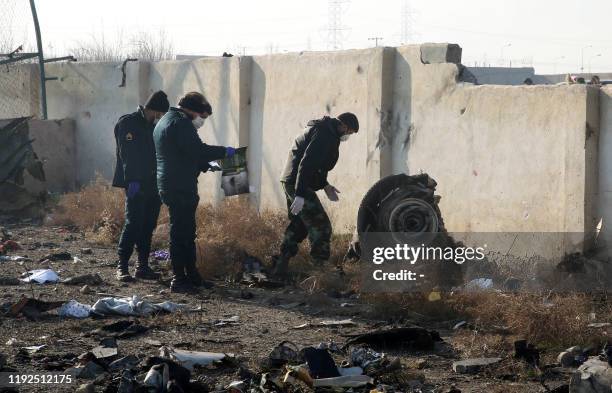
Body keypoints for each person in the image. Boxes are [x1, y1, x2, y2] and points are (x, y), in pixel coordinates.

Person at [153, 92, 236, 293]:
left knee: (187, 232)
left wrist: (210, 165)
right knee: (181, 234)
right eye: (202, 117)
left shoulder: (166, 119)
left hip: (173, 183)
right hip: (179, 186)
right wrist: (226, 152)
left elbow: (186, 154)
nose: (202, 122)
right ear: (192, 110)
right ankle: (179, 279)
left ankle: (191, 275)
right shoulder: (180, 123)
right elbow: (199, 150)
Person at [272, 113, 359, 278]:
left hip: (293, 181)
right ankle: (319, 270)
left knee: (301, 223)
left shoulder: (329, 132)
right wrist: (299, 193)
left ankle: (281, 264)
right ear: (343, 125)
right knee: (322, 226)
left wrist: (325, 185)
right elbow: (306, 163)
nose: (348, 136)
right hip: (297, 182)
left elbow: (318, 166)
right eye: (349, 132)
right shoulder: (324, 133)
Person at [112, 90, 170, 282]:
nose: (161, 118)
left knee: (148, 225)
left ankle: (142, 266)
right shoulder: (128, 123)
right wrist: (132, 180)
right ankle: (122, 267)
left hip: (154, 183)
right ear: (153, 110)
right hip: (136, 183)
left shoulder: (155, 126)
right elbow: (126, 155)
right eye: (160, 114)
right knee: (133, 223)